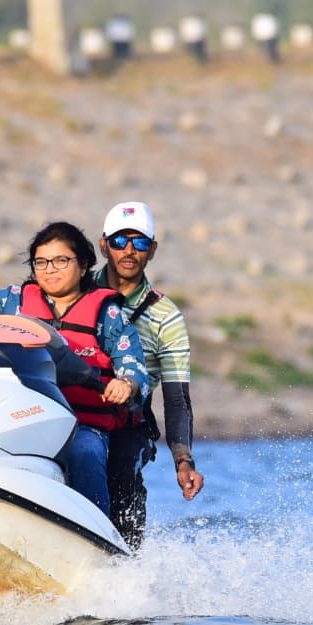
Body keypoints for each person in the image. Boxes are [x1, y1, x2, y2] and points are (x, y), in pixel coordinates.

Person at [0, 221, 150, 516]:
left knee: (86, 452)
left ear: (84, 264)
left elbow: (134, 366)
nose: (50, 269)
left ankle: (96, 531)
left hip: (79, 423)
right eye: (41, 262)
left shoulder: (106, 313)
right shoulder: (11, 300)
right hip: (18, 413)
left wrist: (126, 383)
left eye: (61, 260)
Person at [93, 201, 204, 549]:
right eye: (119, 241)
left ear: (152, 249)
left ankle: (124, 562)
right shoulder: (77, 291)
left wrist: (183, 460)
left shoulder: (165, 315)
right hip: (72, 409)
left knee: (122, 468)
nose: (129, 251)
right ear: (103, 245)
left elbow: (177, 398)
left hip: (128, 424)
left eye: (139, 243)